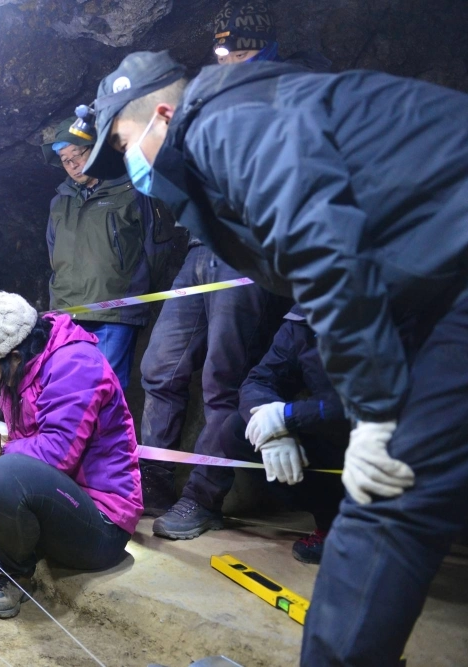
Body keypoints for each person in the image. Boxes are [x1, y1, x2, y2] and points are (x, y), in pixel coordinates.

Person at [83, 49, 468, 667]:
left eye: (123, 140)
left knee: (388, 497)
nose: (127, 161)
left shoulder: (225, 122)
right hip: (457, 269)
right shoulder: (258, 110)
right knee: (399, 499)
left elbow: (324, 245)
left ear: (162, 115)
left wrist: (377, 417)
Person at [84, 55, 287, 535]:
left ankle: (204, 498)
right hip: (199, 250)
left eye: (121, 139)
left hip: (241, 256)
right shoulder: (182, 150)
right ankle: (153, 478)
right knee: (159, 367)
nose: (125, 151)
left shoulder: (232, 120)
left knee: (224, 380)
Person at [0, 291, 142, 619]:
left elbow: (57, 454)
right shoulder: (32, 358)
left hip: (100, 524)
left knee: (6, 471)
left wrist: (0, 445)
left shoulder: (75, 364)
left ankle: (13, 573)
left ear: (15, 355)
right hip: (59, 498)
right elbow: (34, 416)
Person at [41, 116, 177, 390]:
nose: (73, 164)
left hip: (114, 313)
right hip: (67, 315)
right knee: (67, 393)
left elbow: (158, 248)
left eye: (78, 154)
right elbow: (53, 253)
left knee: (106, 393)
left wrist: (133, 292)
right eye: (65, 160)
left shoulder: (133, 190)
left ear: (98, 149)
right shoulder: (59, 203)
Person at [225, 305, 349, 564]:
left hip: (393, 440)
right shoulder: (302, 321)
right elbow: (259, 380)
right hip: (335, 436)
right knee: (237, 431)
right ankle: (333, 524)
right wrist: (273, 429)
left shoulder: (395, 310)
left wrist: (288, 417)